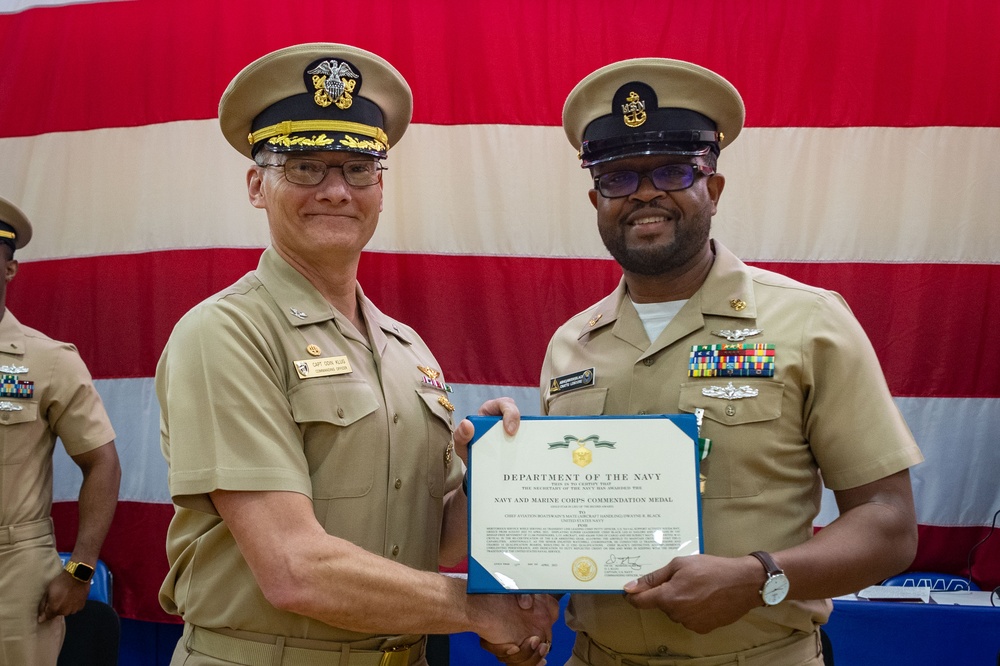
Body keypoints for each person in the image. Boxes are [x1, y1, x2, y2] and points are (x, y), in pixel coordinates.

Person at [155, 43, 557, 666]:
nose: (337, 191)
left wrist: (497, 473)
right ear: (257, 185)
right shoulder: (226, 333)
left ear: (380, 185)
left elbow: (435, 538)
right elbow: (294, 569)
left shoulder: (406, 349)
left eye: (359, 167)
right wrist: (480, 608)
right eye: (305, 166)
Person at [533, 58, 923, 665]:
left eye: (671, 170)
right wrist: (508, 479)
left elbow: (888, 523)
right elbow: (575, 524)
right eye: (618, 178)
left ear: (711, 188)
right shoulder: (571, 345)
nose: (644, 194)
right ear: (596, 198)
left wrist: (758, 576)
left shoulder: (810, 322)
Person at [0, 196, 121, 665]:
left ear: (10, 268)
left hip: (14, 574)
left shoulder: (48, 360)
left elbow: (101, 462)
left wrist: (80, 568)